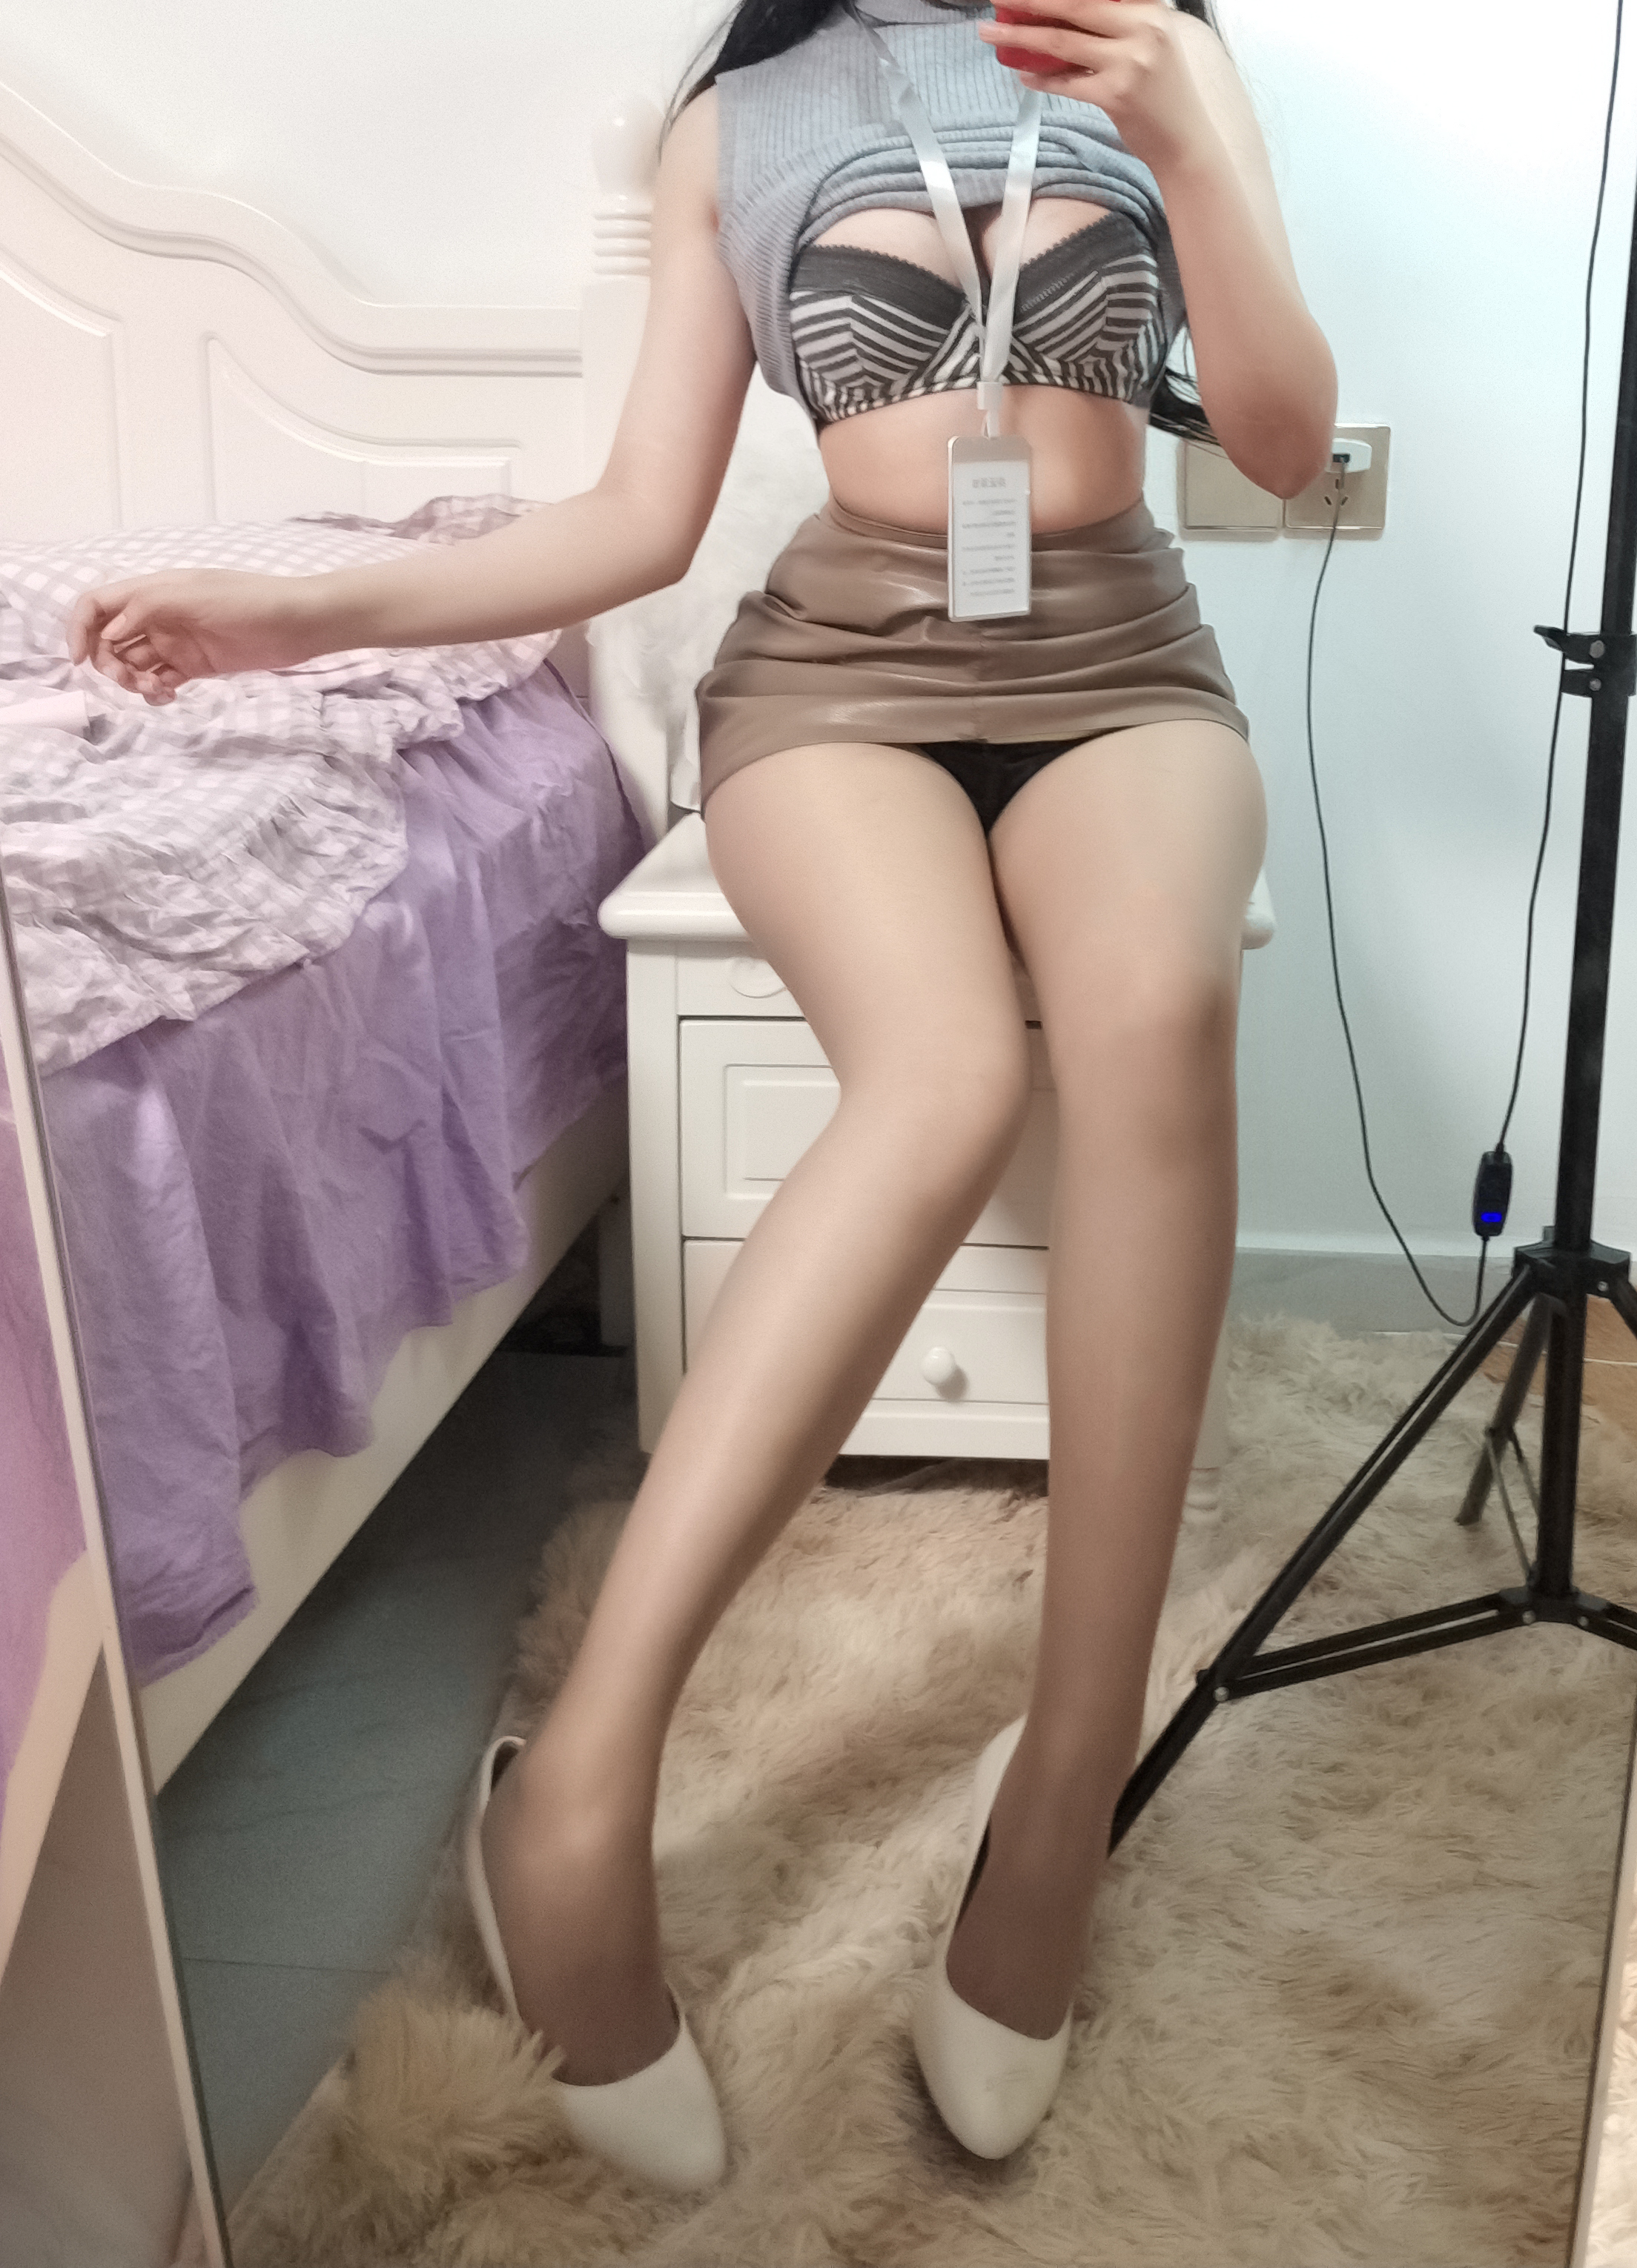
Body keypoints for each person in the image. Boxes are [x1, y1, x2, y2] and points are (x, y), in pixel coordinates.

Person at [70, 0, 1335, 2193]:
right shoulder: (738, 123)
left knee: (1156, 1005)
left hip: (1120, 656)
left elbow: (1291, 447)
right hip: (840, 676)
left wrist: (1196, 137)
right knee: (941, 1073)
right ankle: (574, 1791)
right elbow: (636, 520)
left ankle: (1062, 1793)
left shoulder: (1168, 52)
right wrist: (302, 614)